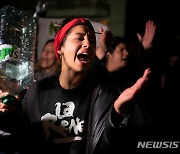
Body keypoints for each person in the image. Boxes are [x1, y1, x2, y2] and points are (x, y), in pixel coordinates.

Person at [0, 17, 151, 154]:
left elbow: (110, 146)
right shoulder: (36, 91)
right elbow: (14, 143)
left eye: (92, 40)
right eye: (79, 38)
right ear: (60, 48)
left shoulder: (105, 95)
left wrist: (117, 114)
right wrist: (6, 117)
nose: (87, 44)